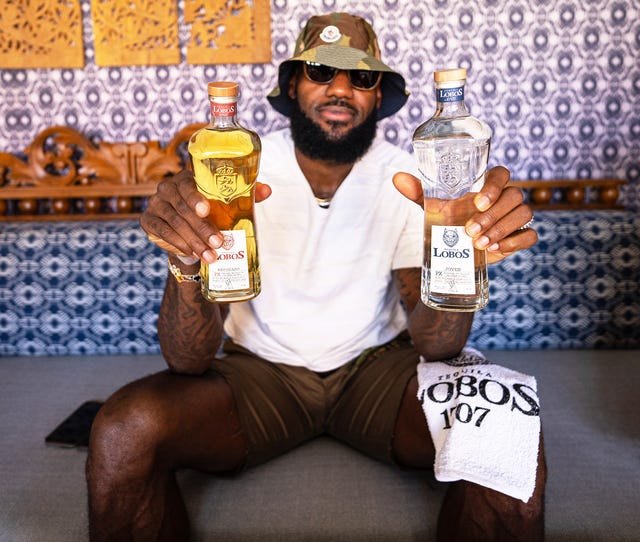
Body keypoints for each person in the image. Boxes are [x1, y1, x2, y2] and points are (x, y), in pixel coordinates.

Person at [86, 12, 545, 542]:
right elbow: (187, 361)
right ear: (292, 86)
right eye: (321, 71)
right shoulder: (235, 166)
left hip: (376, 370)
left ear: (378, 96)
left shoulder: (416, 175)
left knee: (509, 432)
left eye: (362, 77)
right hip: (260, 373)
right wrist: (185, 259)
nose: (341, 89)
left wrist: (462, 262)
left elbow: (435, 347)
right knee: (123, 429)